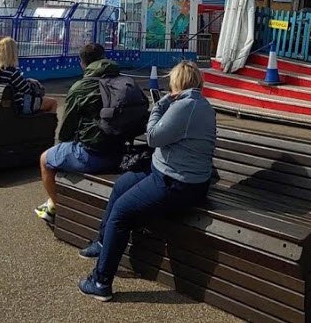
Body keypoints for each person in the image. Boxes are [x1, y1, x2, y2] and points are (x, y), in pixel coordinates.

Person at [77, 61, 217, 301]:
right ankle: (103, 243)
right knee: (121, 185)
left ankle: (101, 281)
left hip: (177, 183)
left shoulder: (184, 106)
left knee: (121, 214)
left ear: (177, 83)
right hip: (172, 174)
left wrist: (159, 105)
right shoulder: (198, 104)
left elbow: (152, 137)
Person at [34, 43, 127, 224]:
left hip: (93, 155)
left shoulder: (81, 87)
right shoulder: (122, 82)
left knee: (46, 159)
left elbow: (66, 131)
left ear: (82, 63)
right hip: (121, 151)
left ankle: (55, 206)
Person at [0, 36, 58, 114]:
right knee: (53, 102)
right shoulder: (12, 72)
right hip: (17, 107)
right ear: (12, 53)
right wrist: (33, 84)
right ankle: (45, 125)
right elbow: (27, 90)